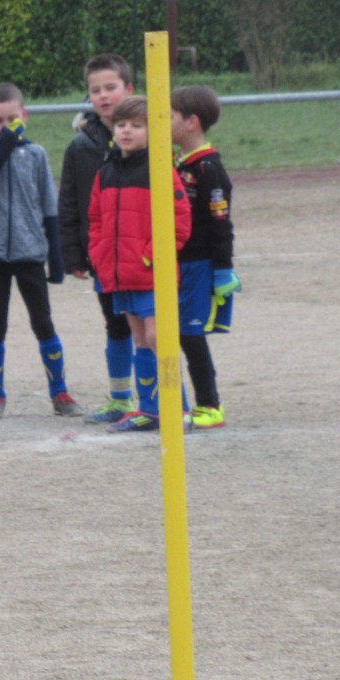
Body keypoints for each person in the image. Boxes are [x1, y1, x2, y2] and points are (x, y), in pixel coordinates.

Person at [0, 82, 82, 419]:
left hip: (30, 252)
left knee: (43, 323)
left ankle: (59, 391)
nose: (7, 126)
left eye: (13, 120)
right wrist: (3, 143)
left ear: (25, 116)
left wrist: (56, 259)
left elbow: (49, 206)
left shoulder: (36, 154)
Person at [87, 96, 192, 432]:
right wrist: (101, 254)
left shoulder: (160, 169)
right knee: (140, 339)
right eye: (121, 125)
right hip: (121, 274)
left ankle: (179, 407)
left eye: (136, 125)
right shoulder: (106, 171)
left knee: (158, 336)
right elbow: (95, 219)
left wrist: (151, 256)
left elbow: (179, 221)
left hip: (151, 272)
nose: (127, 131)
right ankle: (149, 409)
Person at [58, 53, 138, 424]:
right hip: (104, 254)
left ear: (129, 89)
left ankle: (159, 399)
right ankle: (120, 399)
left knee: (149, 324)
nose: (103, 96)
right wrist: (73, 255)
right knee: (115, 323)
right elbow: (69, 203)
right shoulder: (81, 146)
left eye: (111, 87)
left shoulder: (149, 138)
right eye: (95, 90)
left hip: (141, 252)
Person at [171, 85, 240, 429]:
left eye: (168, 116)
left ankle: (210, 405)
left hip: (198, 264)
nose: (161, 123)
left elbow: (220, 223)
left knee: (189, 333)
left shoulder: (208, 168)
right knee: (173, 331)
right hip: (176, 262)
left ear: (191, 122)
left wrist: (223, 268)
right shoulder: (177, 162)